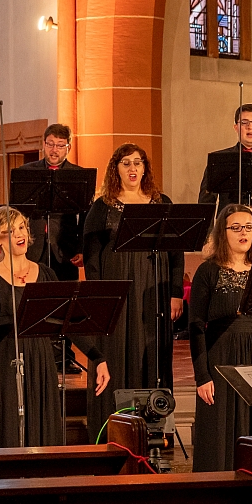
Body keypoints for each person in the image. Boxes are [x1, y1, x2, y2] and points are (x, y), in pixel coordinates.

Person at [0, 206, 109, 504]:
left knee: (42, 441)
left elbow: (67, 324)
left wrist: (97, 357)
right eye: (11, 230)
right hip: (4, 368)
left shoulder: (45, 274)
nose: (20, 234)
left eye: (22, 227)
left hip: (42, 366)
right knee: (7, 442)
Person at [83, 143, 184, 442]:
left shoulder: (161, 202)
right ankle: (112, 431)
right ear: (115, 169)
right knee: (115, 351)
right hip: (116, 289)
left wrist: (175, 293)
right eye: (126, 163)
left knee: (152, 354)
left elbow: (176, 253)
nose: (132, 168)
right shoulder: (102, 207)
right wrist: (98, 297)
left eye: (138, 162)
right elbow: (91, 257)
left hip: (154, 289)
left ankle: (155, 430)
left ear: (145, 168)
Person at [189, 204, 252, 504]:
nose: (243, 233)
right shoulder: (208, 271)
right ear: (222, 233)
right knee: (220, 437)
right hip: (222, 361)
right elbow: (196, 326)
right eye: (235, 227)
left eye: (248, 227)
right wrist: (202, 376)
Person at [16, 123, 86, 374]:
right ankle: (34, 357)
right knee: (34, 302)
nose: (54, 150)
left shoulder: (78, 175)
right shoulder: (26, 173)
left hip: (64, 250)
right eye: (50, 144)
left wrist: (81, 248)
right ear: (43, 145)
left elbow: (85, 216)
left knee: (65, 303)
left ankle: (63, 356)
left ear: (68, 147)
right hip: (33, 248)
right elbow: (16, 211)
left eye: (60, 145)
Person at [199, 104, 252, 229]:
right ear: (236, 127)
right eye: (244, 122)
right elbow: (206, 203)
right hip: (230, 229)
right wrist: (209, 236)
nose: (250, 127)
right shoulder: (220, 159)